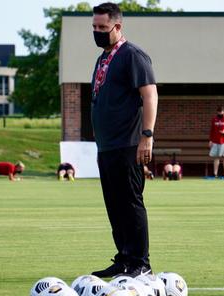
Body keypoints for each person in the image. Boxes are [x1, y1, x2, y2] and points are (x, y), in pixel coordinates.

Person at [90, 2, 158, 278]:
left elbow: (150, 95)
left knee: (130, 203)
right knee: (114, 205)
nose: (97, 31)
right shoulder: (104, 58)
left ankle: (140, 263)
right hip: (107, 146)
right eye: (94, 27)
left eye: (102, 27)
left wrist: (147, 136)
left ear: (117, 27)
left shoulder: (133, 55)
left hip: (128, 144)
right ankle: (124, 258)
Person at [209, 106, 224, 178]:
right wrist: (210, 140)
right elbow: (212, 131)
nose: (220, 114)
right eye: (218, 112)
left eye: (221, 112)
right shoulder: (214, 119)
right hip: (215, 141)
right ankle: (215, 173)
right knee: (216, 157)